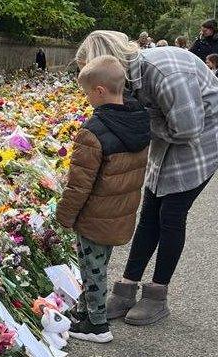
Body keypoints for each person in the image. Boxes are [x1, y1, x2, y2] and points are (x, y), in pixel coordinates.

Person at [75, 30, 218, 325]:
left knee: (171, 214)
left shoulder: (164, 72)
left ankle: (157, 294)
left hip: (204, 136)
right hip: (171, 132)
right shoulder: (128, 78)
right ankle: (126, 289)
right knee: (150, 209)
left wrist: (141, 126)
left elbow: (187, 129)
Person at [56, 56, 150, 342]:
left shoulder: (94, 132)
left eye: (86, 93)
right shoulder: (138, 121)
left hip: (95, 215)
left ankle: (97, 326)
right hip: (120, 212)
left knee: (93, 268)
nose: (86, 99)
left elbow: (78, 186)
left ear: (99, 91)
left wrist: (64, 215)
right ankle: (85, 311)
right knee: (96, 263)